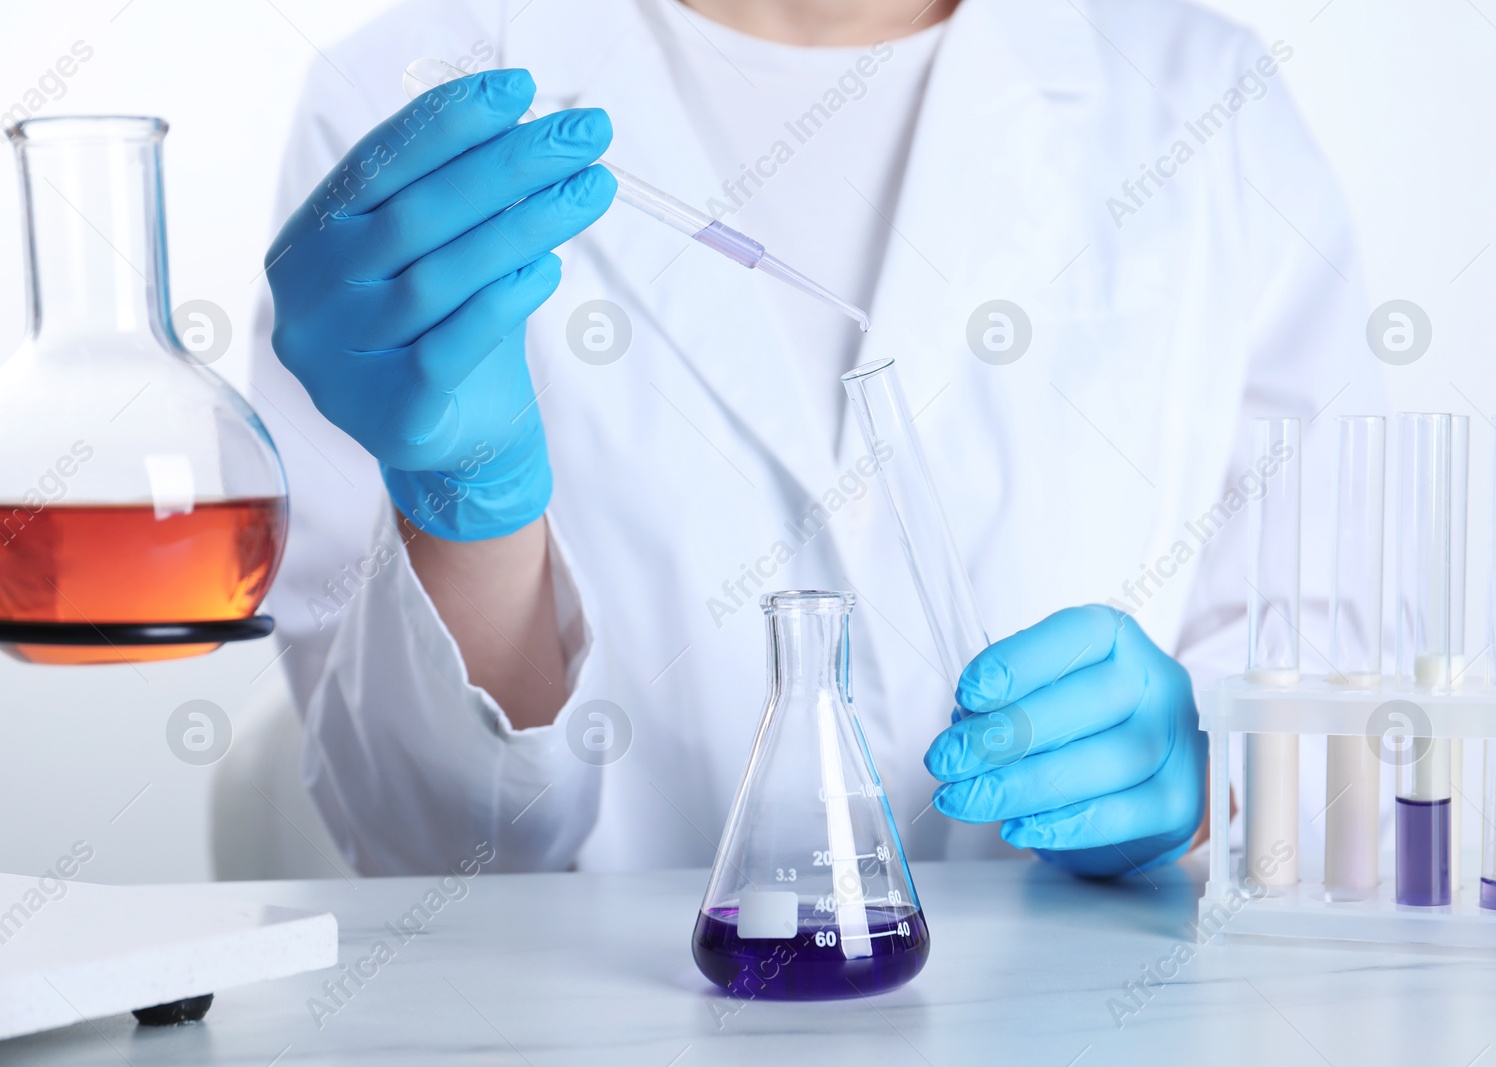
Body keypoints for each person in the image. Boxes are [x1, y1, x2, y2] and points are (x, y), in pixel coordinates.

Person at [254, 0, 1381, 877]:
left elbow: (1358, 719)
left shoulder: (1198, 99)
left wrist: (1213, 783)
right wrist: (466, 504)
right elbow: (422, 852)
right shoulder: (414, 114)